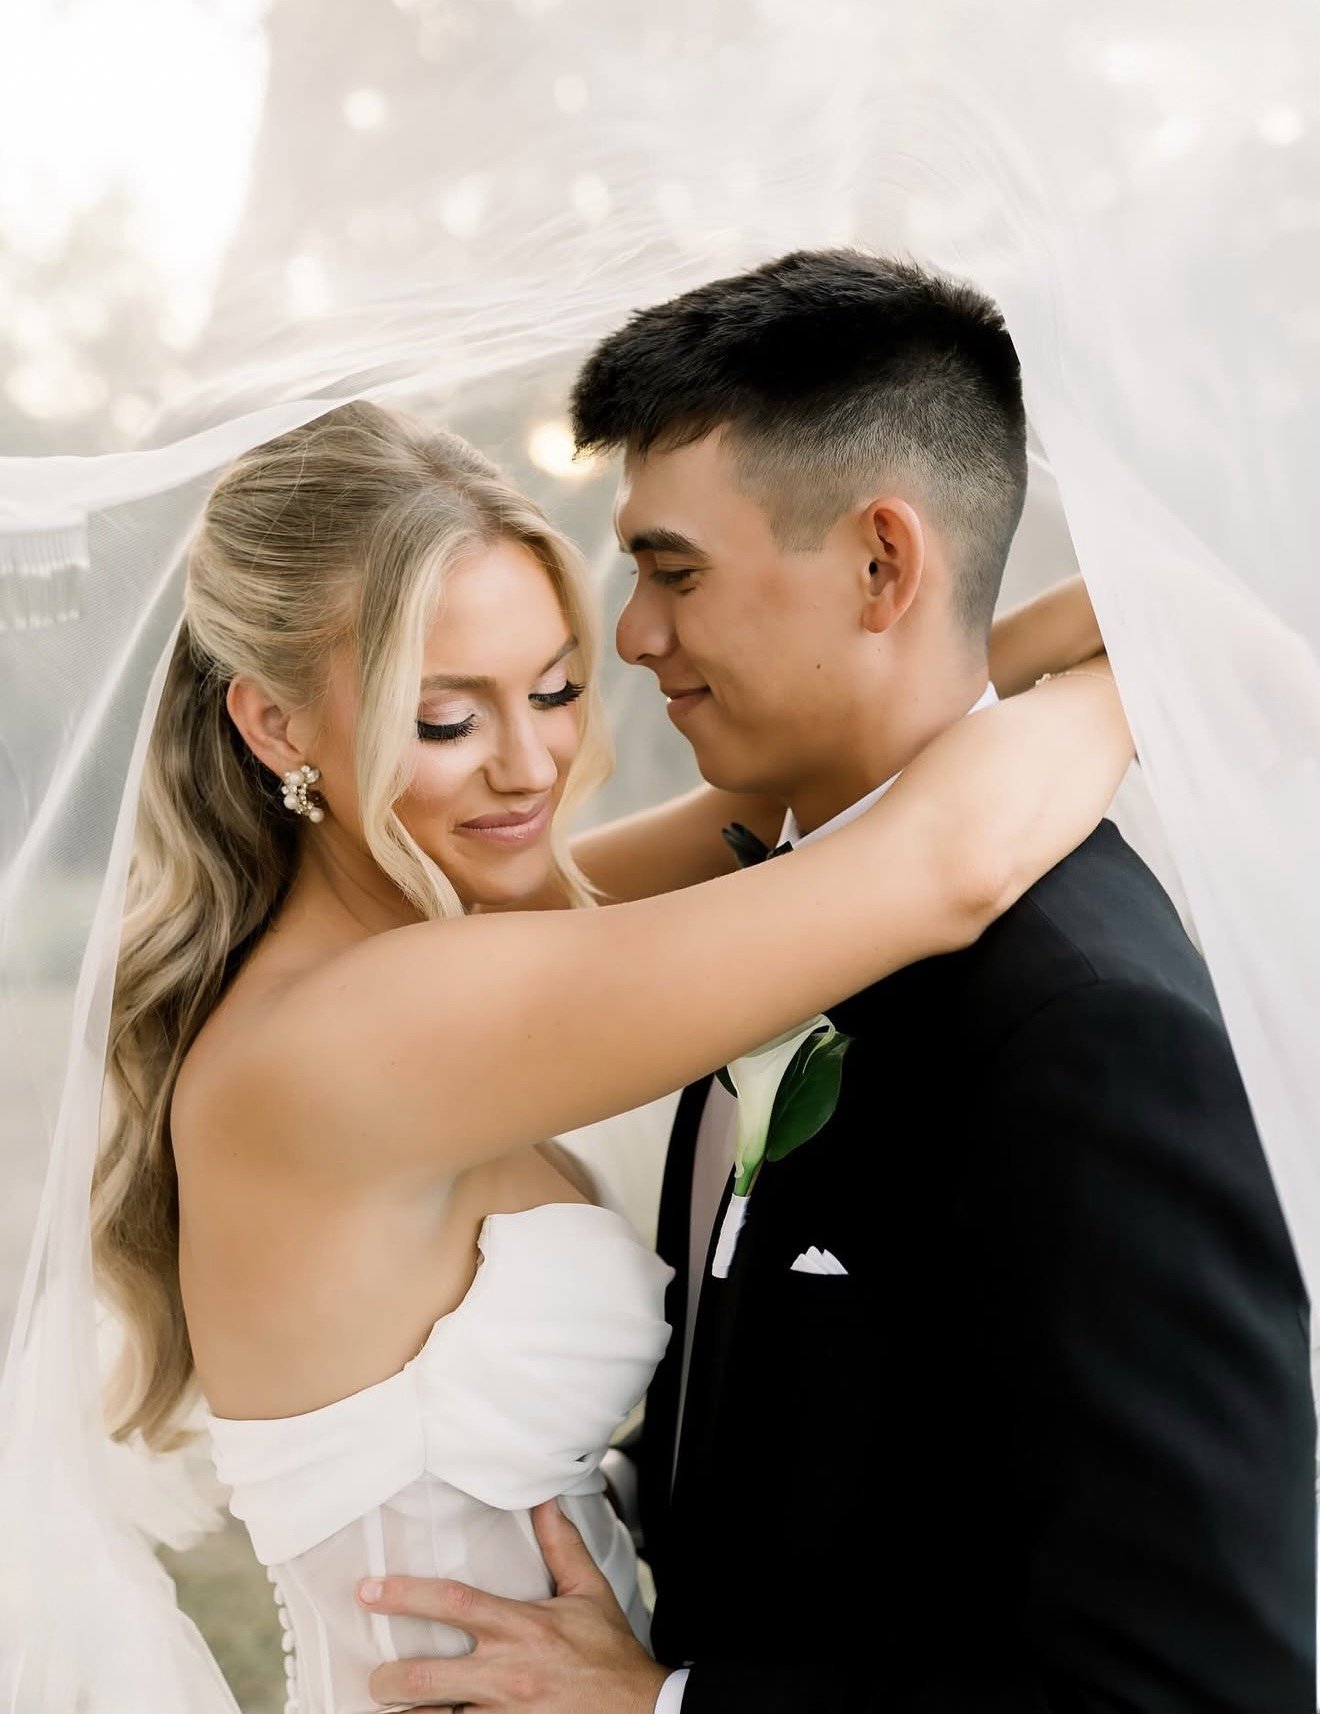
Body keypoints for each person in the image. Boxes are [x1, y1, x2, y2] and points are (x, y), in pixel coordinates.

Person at [361, 252, 1316, 1712]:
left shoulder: (1089, 1028)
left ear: (882, 562)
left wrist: (672, 1706)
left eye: (673, 571)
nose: (632, 637)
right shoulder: (768, 921)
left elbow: (1194, 1678)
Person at [94, 396, 1128, 1714]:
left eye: (556, 689)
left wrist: (1092, 617)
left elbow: (770, 803)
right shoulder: (370, 1029)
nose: (530, 765)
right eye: (447, 717)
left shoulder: (420, 938)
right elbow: (944, 863)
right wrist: (1157, 684)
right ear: (277, 725)